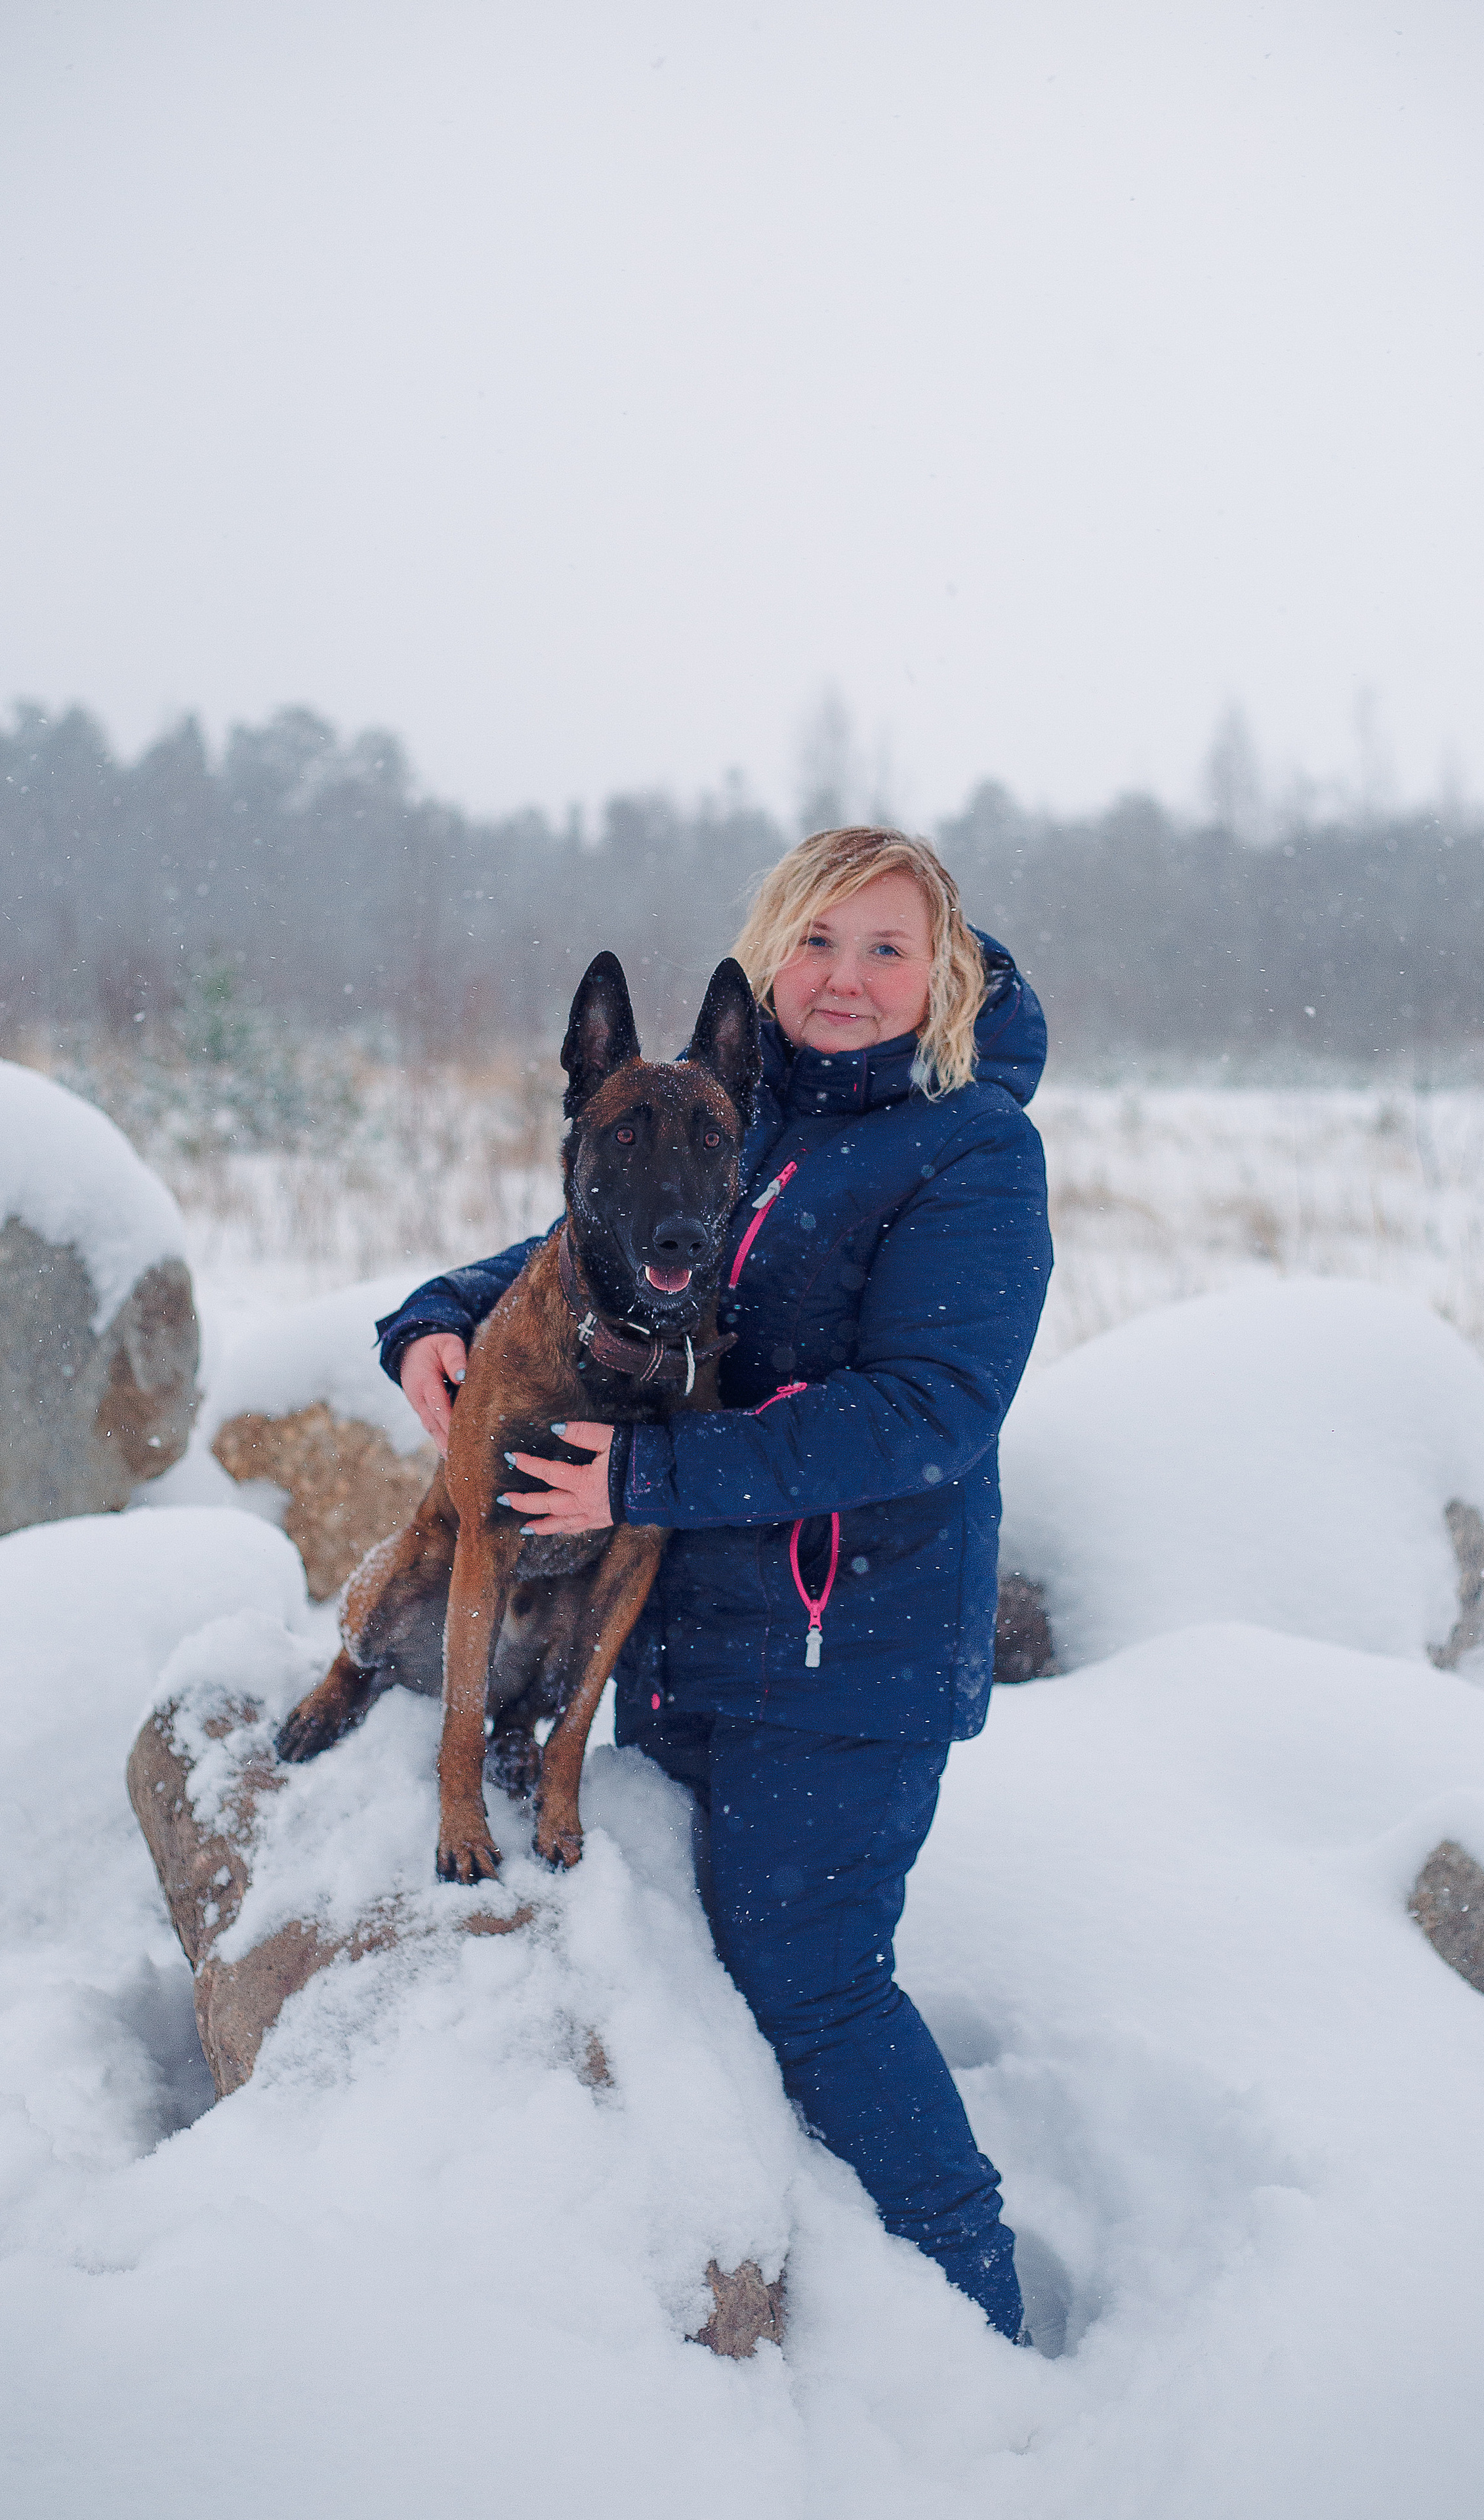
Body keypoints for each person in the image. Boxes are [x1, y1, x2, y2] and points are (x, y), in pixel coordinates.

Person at [375, 825, 1052, 2339]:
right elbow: (610, 1238)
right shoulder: (751, 1112)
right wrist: (435, 1312)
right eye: (817, 940)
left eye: (886, 949)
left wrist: (644, 1479)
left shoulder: (970, 1151)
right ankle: (804, 2298)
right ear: (769, 949)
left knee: (810, 1983)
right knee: (710, 1969)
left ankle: (976, 2313)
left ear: (942, 973)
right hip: (683, 1635)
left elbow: (926, 1412)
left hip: (846, 1654)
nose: (845, 977)